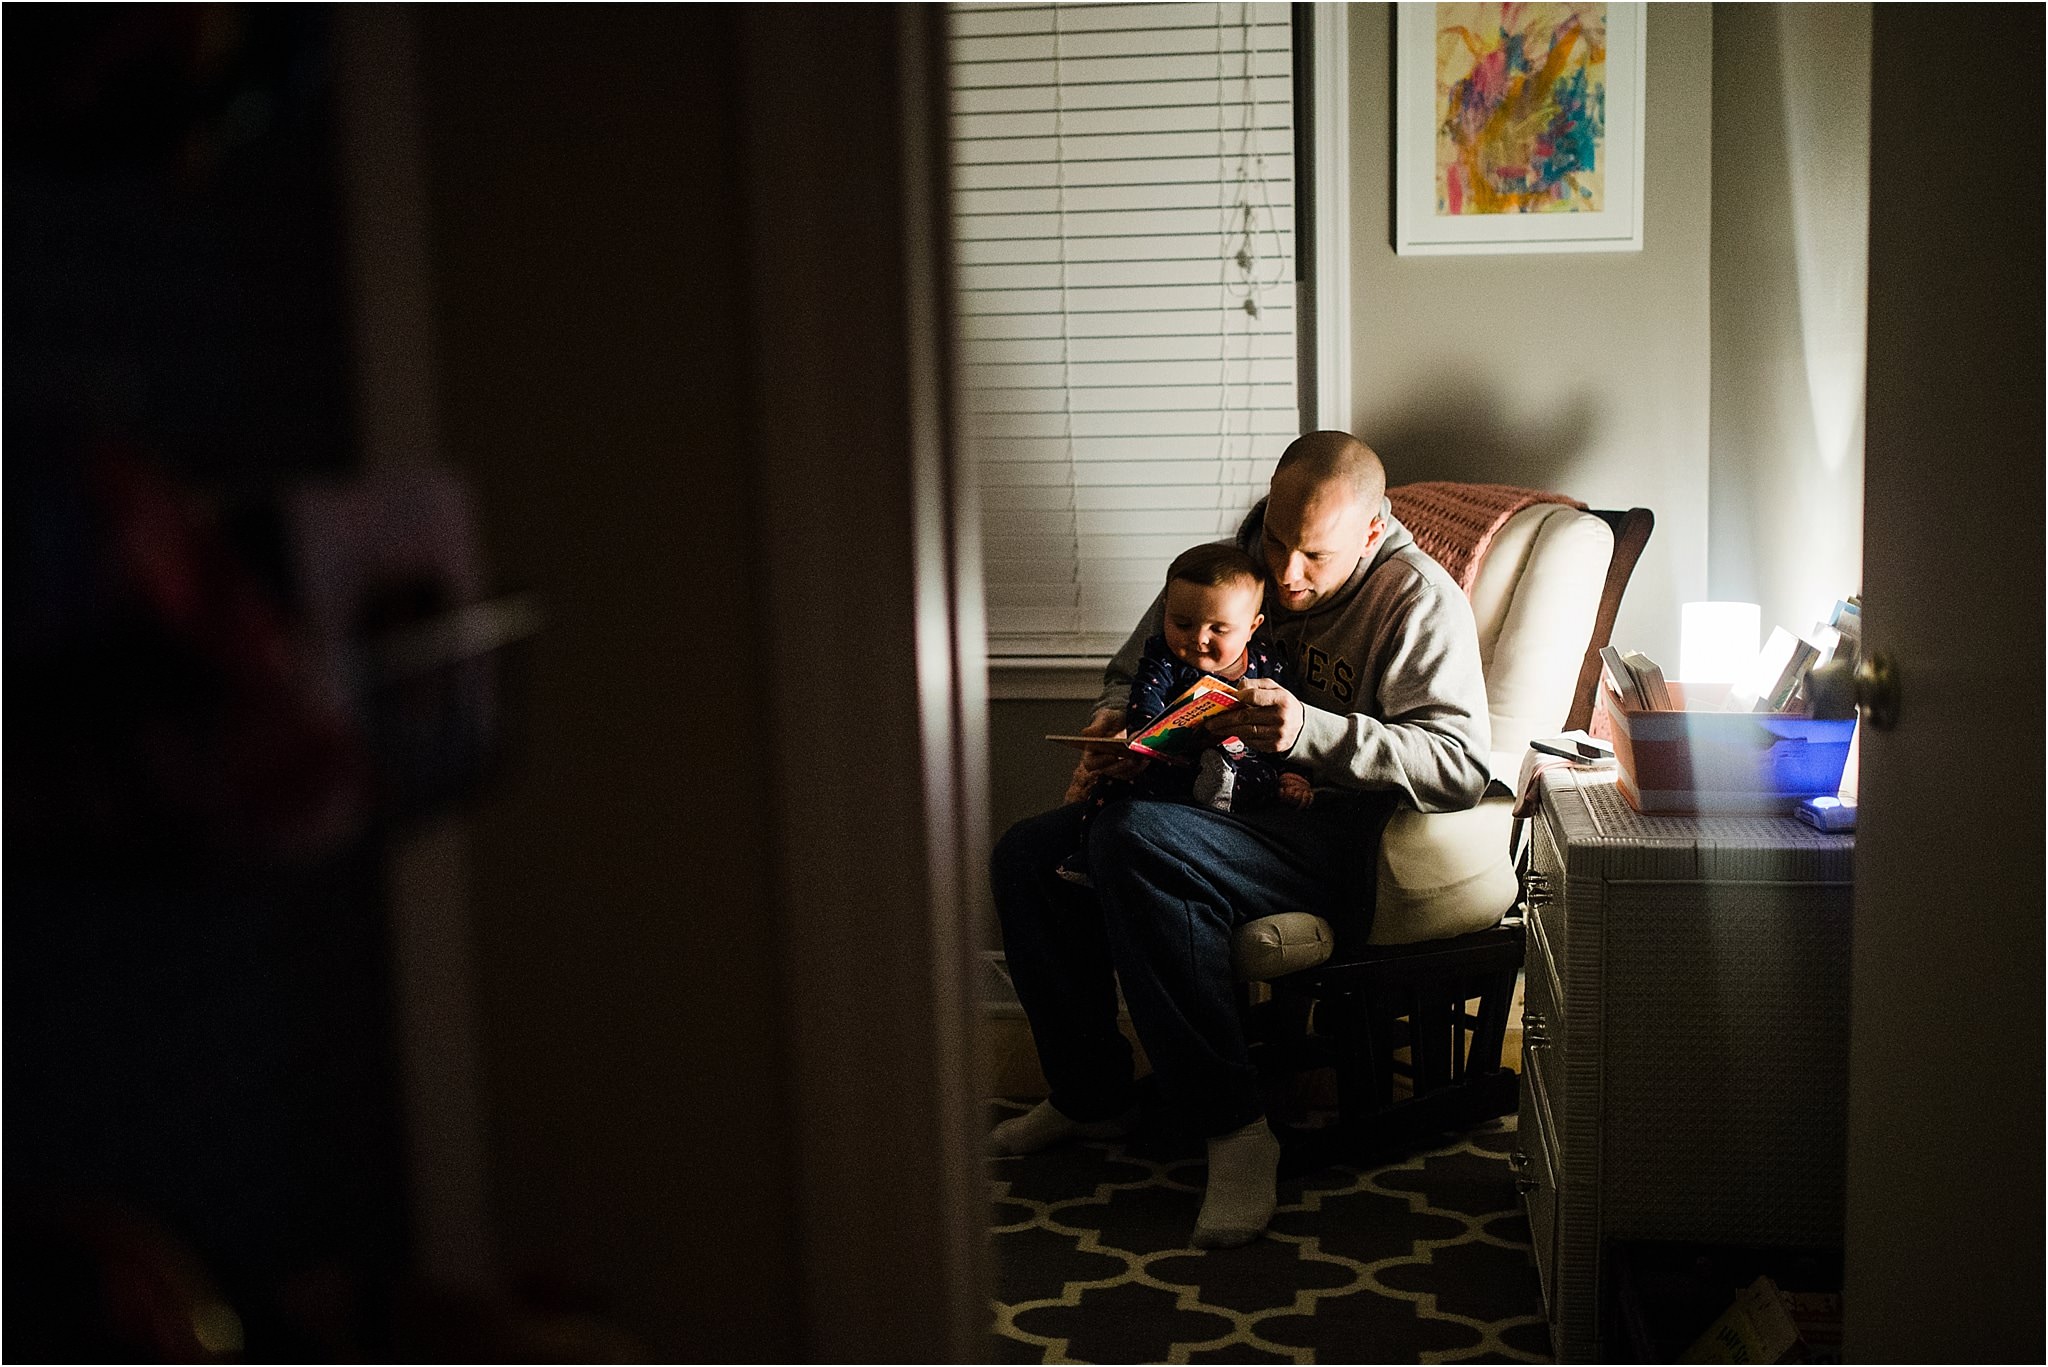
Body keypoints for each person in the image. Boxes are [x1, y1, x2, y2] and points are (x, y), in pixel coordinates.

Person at [987, 431, 1491, 1248]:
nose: (1287, 574)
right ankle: (1092, 1097)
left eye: (1314, 558)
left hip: (1331, 831)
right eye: (1277, 542)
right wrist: (1119, 718)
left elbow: (1461, 767)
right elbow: (1136, 662)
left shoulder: (1417, 600)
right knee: (1026, 853)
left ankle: (1235, 1126)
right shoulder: (1244, 555)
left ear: (1370, 532)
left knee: (1132, 839)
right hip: (1202, 802)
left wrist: (1313, 733)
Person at [1054, 542, 1312, 887]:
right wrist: (1145, 737)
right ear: (1164, 613)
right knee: (1112, 789)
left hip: (1244, 768)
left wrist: (1294, 775)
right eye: (1183, 623)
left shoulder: (1270, 666)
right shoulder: (1163, 656)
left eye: (1218, 629)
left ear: (1253, 626)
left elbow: (1290, 727)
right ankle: (1088, 856)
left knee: (1263, 779)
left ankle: (1221, 789)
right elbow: (1144, 696)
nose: (1198, 639)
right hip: (1170, 765)